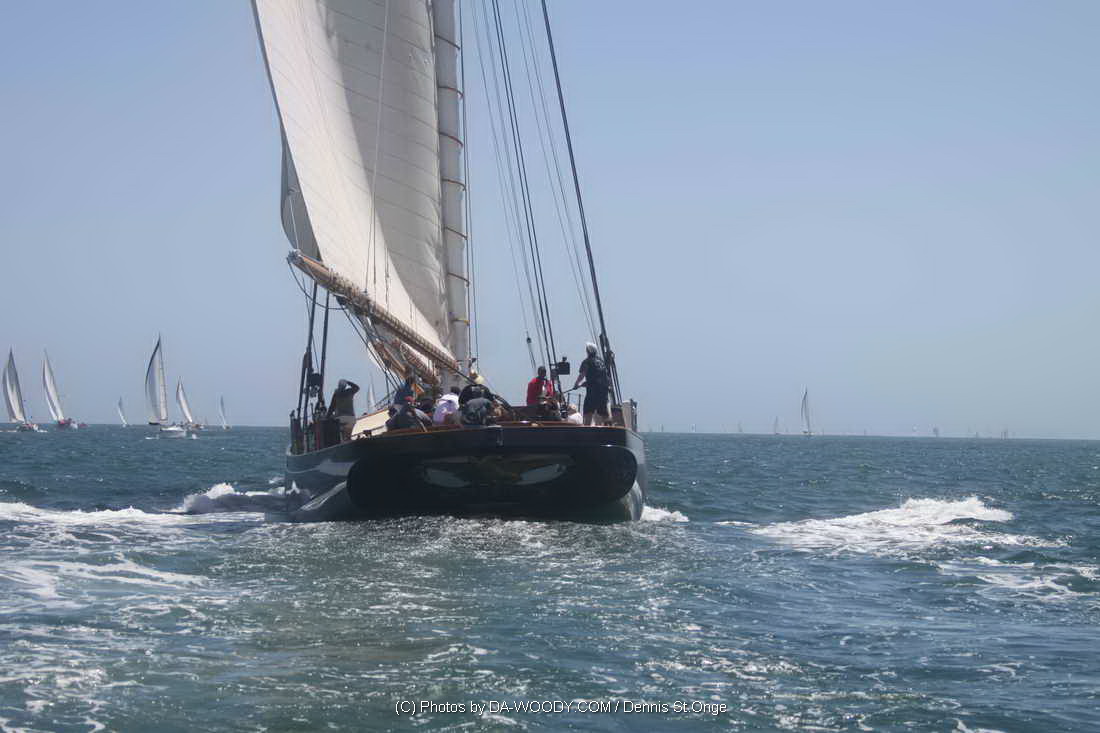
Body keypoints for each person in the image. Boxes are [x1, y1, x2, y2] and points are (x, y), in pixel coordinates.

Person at [573, 342, 610, 426]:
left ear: (588, 351)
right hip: (603, 391)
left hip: (593, 391)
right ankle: (607, 428)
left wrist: (576, 384)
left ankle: (587, 428)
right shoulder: (601, 362)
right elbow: (602, 376)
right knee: (603, 412)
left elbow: (582, 374)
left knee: (588, 412)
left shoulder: (587, 362)